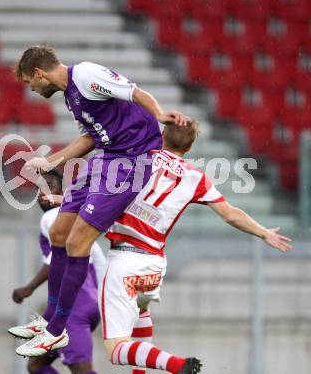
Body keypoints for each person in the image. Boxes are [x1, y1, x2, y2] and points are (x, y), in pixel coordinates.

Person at [40, 119, 293, 373]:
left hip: (125, 259)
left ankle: (178, 365)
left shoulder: (137, 158)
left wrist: (63, 200)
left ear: (161, 135)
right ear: (190, 147)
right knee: (141, 309)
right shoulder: (197, 178)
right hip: (154, 264)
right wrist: (263, 233)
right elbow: (230, 215)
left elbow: (98, 197)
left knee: (116, 350)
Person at [14, 44, 188, 356]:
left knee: (77, 243)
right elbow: (90, 138)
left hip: (132, 162)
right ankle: (52, 319)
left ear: (39, 73)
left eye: (29, 82)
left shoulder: (85, 75)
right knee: (58, 232)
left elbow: (133, 92)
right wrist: (50, 161)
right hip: (107, 159)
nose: (32, 89)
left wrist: (160, 115)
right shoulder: (70, 95)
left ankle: (56, 332)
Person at [9, 171, 106, 374]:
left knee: (81, 368)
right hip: (85, 304)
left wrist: (29, 288)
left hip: (72, 309)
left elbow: (56, 258)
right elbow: (98, 257)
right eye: (38, 189)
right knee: (36, 364)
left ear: (62, 191)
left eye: (49, 186)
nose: (43, 193)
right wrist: (101, 300)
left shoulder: (53, 217)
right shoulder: (76, 221)